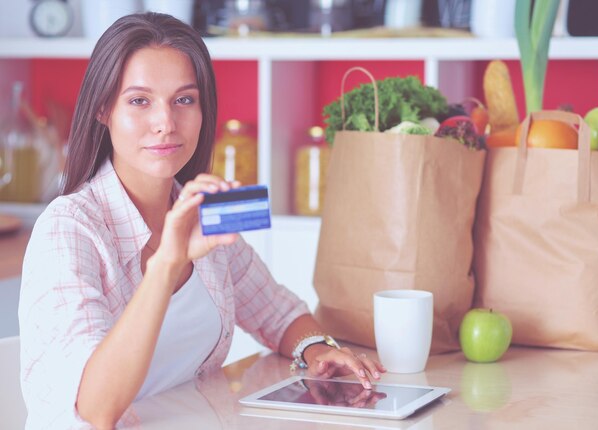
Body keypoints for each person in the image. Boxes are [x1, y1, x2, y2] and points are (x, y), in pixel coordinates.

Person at [18, 12, 385, 430]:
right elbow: (95, 408)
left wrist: (318, 350)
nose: (166, 123)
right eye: (140, 100)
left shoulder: (198, 208)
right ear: (104, 108)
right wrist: (168, 262)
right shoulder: (69, 229)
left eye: (184, 99)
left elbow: (278, 314)